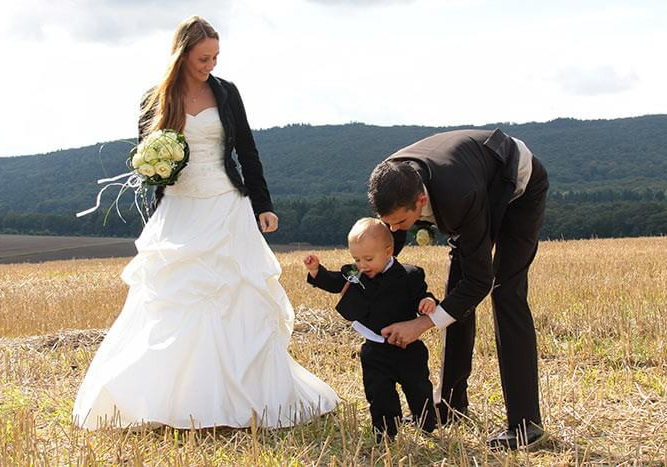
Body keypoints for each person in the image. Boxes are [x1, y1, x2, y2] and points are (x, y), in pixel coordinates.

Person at [72, 16, 339, 430]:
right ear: (182, 54)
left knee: (237, 299)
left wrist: (262, 204)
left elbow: (247, 151)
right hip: (179, 211)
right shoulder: (154, 98)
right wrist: (157, 171)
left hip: (226, 205)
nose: (210, 64)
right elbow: (146, 163)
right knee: (173, 303)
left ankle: (244, 401)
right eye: (203, 58)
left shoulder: (226, 93)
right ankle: (171, 403)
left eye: (215, 57)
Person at [367, 129, 549, 450]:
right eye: (389, 222)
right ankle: (451, 406)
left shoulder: (457, 195)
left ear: (420, 202)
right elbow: (386, 243)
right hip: (475, 183)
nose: (395, 230)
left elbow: (479, 281)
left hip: (518, 186)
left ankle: (526, 424)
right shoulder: (392, 178)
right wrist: (358, 277)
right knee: (455, 293)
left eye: (401, 222)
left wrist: (421, 325)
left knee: (506, 293)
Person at [303, 218, 437, 441]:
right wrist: (317, 271)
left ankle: (425, 421)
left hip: (408, 348)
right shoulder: (357, 273)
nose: (362, 264)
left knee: (418, 387)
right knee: (378, 391)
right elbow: (336, 282)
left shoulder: (410, 275)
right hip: (374, 348)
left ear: (388, 251)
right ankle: (385, 431)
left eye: (368, 258)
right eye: (356, 258)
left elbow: (422, 294)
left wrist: (427, 301)